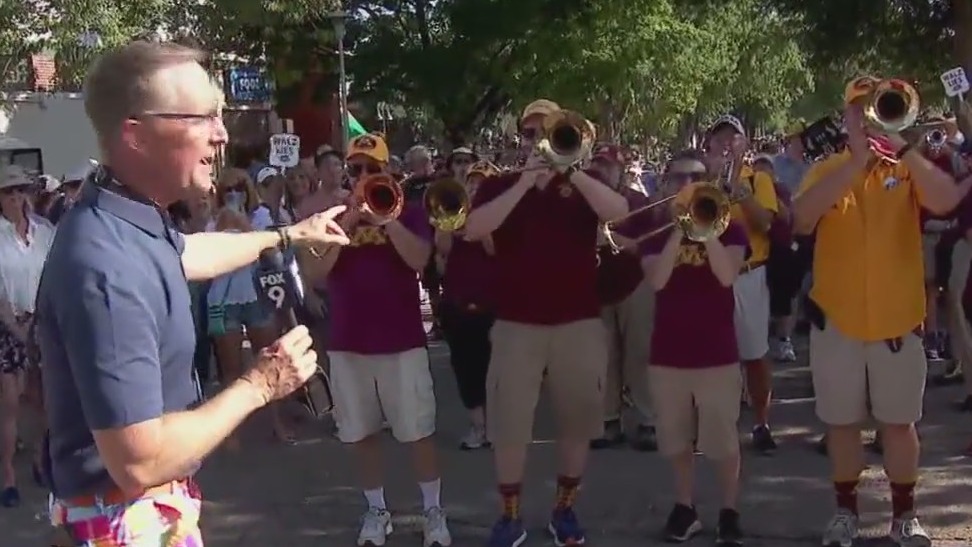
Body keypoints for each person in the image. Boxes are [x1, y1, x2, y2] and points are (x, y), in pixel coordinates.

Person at [35, 40, 349, 546]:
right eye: (201, 117)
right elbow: (140, 461)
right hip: (126, 525)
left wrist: (287, 235)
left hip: (143, 514)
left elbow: (187, 253)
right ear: (136, 135)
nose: (221, 133)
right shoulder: (107, 266)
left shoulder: (126, 215)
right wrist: (261, 384)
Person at [792, 75, 962, 547]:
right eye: (858, 109)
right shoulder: (828, 170)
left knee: (900, 425)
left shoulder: (907, 169)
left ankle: (905, 517)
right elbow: (800, 219)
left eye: (876, 107)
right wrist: (854, 162)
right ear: (845, 118)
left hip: (896, 321)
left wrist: (902, 148)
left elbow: (947, 199)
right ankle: (845, 513)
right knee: (841, 425)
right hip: (838, 320)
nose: (867, 116)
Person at [464, 99, 628, 547]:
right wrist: (524, 182)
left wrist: (570, 172)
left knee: (577, 421)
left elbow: (619, 212)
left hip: (578, 321)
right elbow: (473, 229)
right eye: (530, 133)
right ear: (520, 138)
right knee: (509, 424)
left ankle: (564, 509)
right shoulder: (500, 184)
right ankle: (510, 515)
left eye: (547, 132)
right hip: (516, 323)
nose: (538, 141)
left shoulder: (586, 184)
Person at [310, 133, 452, 547]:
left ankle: (433, 511)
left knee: (417, 431)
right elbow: (315, 274)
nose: (363, 175)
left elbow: (420, 260)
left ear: (388, 170)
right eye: (356, 169)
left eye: (372, 168)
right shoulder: (334, 216)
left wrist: (387, 220)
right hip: (348, 341)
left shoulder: (408, 212)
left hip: (401, 340)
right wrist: (349, 222)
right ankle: (377, 511)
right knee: (361, 433)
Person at [642, 150, 747, 546]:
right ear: (667, 184)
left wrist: (705, 229)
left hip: (717, 354)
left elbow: (726, 275)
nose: (686, 184)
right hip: (668, 355)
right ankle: (684, 507)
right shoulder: (656, 232)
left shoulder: (731, 229)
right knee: (676, 439)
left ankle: (729, 510)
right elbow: (656, 280)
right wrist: (678, 229)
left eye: (695, 177)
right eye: (679, 178)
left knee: (722, 441)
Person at [705, 114, 779, 453]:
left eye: (732, 138)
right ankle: (716, 425)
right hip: (710, 275)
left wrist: (740, 190)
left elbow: (765, 224)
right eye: (719, 138)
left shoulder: (758, 178)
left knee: (754, 354)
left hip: (750, 273)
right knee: (714, 355)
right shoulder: (702, 180)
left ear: (744, 143)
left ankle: (761, 422)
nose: (725, 144)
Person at [0, 165, 56, 507]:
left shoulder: (44, 232)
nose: (16, 197)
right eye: (8, 192)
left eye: (21, 190)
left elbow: (54, 274)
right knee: (10, 402)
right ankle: (7, 475)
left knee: (44, 400)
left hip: (42, 321)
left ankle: (39, 460)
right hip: (6, 325)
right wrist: (17, 329)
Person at [436, 160, 497, 450]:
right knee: (465, 367)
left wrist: (480, 224)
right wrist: (450, 219)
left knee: (494, 368)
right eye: (472, 182)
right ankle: (478, 427)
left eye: (482, 183)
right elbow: (442, 247)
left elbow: (495, 250)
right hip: (458, 302)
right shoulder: (456, 211)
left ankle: (495, 426)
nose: (475, 187)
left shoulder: (501, 214)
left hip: (493, 303)